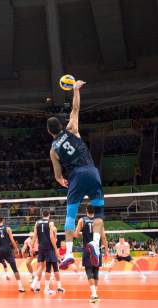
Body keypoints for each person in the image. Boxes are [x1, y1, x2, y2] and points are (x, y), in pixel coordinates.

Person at [47, 80, 105, 268]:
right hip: (92, 172)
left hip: (75, 178)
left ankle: (69, 253)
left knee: (71, 216)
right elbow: (76, 108)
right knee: (98, 211)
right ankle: (95, 244)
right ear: (61, 126)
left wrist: (63, 181)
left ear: (50, 132)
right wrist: (76, 89)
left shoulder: (53, 150)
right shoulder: (72, 128)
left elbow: (57, 176)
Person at [74, 206, 108, 303]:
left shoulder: (82, 220)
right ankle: (95, 294)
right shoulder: (99, 221)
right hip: (97, 249)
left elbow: (76, 235)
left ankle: (93, 294)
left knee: (89, 271)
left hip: (87, 249)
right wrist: (106, 251)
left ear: (86, 211)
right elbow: (104, 237)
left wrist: (82, 233)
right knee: (96, 271)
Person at [0, 217, 25, 293]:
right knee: (14, 269)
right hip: (8, 250)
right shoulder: (8, 229)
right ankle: (21, 287)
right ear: (3, 221)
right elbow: (12, 240)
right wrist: (16, 249)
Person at [31, 210, 64, 294]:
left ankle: (36, 285)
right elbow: (52, 237)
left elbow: (34, 236)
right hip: (49, 248)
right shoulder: (51, 223)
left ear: (42, 215)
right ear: (49, 215)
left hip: (41, 247)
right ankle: (57, 287)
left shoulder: (37, 223)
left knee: (41, 267)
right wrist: (56, 249)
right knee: (53, 267)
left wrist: (31, 247)